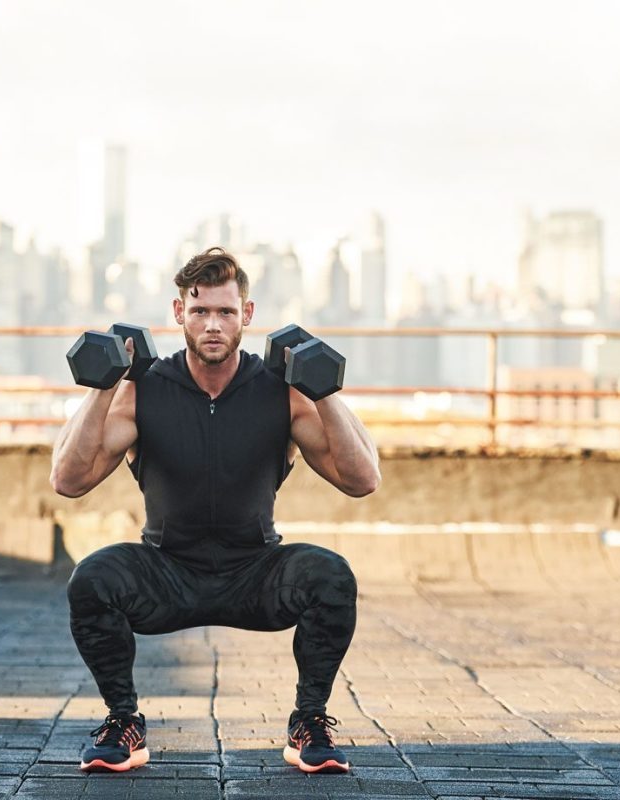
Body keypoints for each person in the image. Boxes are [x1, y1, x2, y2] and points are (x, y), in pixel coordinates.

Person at [50, 247, 380, 774]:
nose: (212, 325)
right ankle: (123, 723)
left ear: (246, 317)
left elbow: (363, 480)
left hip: (256, 573)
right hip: (166, 572)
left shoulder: (282, 392)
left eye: (225, 312)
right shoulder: (143, 390)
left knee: (330, 577)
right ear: (179, 313)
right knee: (92, 580)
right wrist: (105, 385)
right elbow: (68, 480)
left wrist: (323, 391)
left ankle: (309, 722)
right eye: (200, 310)